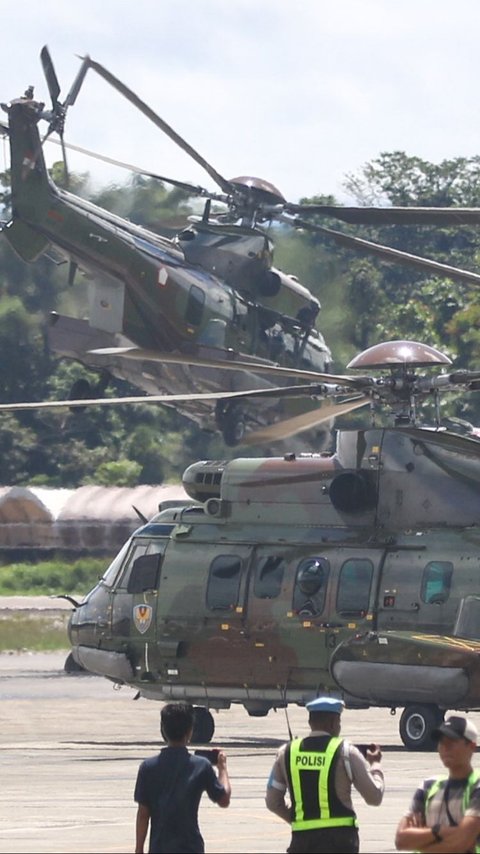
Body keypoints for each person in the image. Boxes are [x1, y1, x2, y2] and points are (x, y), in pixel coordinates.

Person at [265, 695, 384, 853]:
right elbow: (374, 797)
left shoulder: (286, 753)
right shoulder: (346, 752)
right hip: (341, 842)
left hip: (302, 842)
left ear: (310, 722)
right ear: (334, 723)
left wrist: (299, 821)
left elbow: (273, 802)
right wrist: (375, 766)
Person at [134, 701, 231, 854]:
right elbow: (223, 799)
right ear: (190, 731)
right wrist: (222, 769)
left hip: (160, 848)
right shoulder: (201, 766)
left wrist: (139, 849)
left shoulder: (147, 768)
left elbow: (143, 814)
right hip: (190, 847)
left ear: (163, 730)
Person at [395, 714, 480, 853]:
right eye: (441, 742)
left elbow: (461, 842)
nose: (445, 748)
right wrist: (438, 831)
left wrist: (423, 839)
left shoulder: (477, 786)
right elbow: (401, 840)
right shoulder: (428, 787)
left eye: (451, 742)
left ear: (471, 746)